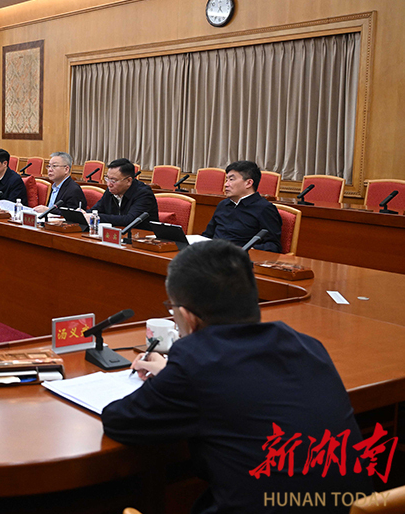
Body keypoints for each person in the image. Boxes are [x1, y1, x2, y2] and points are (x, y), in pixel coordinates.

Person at [102, 240, 373, 514]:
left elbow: (120, 421)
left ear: (187, 317)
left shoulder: (195, 362)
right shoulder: (308, 346)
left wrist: (174, 377)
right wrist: (173, 375)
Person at [202, 160, 283, 252]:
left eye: (231, 179)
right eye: (226, 180)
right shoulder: (223, 204)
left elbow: (273, 246)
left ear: (248, 183)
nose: (226, 184)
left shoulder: (264, 208)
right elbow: (208, 235)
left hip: (239, 257)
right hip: (212, 254)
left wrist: (248, 250)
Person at [86, 158, 157, 228]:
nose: (108, 184)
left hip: (142, 234)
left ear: (128, 181)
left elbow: (130, 220)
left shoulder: (144, 194)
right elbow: (97, 209)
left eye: (113, 180)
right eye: (107, 179)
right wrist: (84, 214)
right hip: (116, 233)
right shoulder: (111, 190)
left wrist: (96, 217)